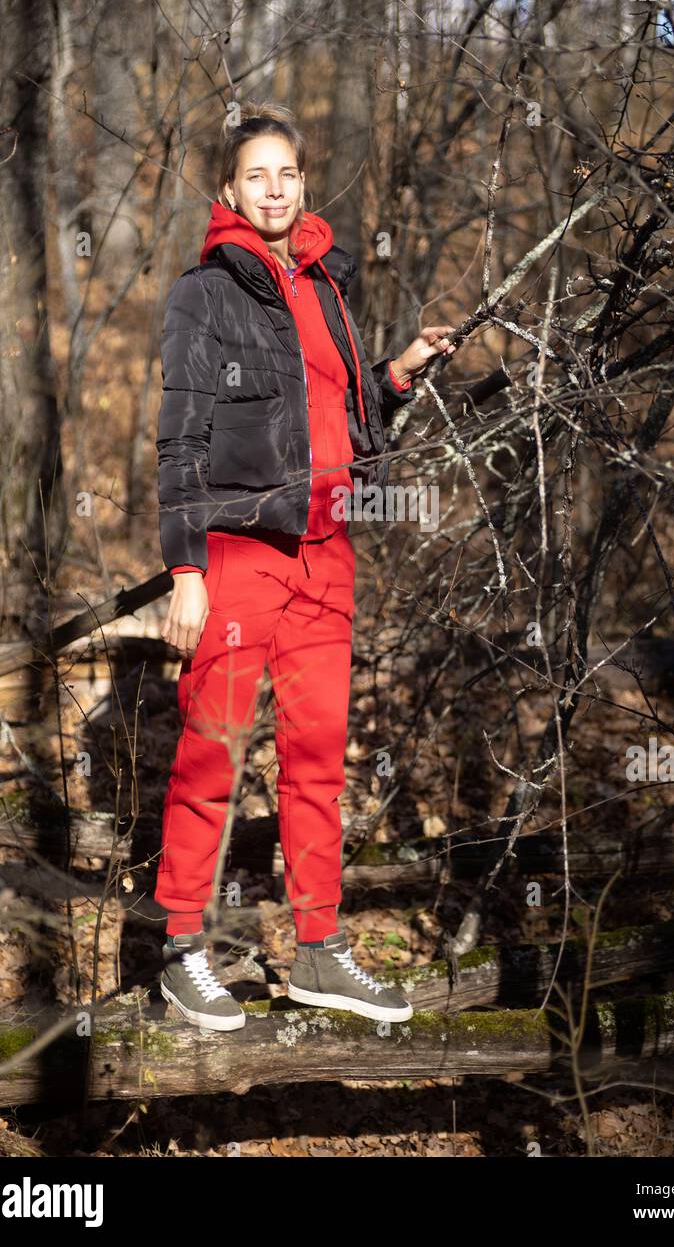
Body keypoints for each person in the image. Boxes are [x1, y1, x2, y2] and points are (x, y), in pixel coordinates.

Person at [154, 102, 456, 1031]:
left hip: (329, 556)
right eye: (257, 175)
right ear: (230, 192)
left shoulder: (326, 285)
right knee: (215, 753)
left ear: (301, 185)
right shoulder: (204, 295)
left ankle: (321, 949)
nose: (275, 188)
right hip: (243, 555)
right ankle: (180, 951)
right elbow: (181, 436)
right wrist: (187, 569)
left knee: (317, 762)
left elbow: (346, 414)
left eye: (287, 172)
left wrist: (398, 374)